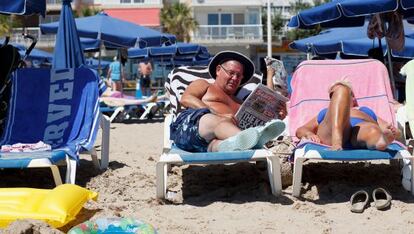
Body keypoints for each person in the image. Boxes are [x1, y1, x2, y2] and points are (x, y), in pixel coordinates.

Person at [170, 51, 285, 153]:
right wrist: (217, 114)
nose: (235, 78)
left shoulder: (241, 103)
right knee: (215, 120)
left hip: (209, 143)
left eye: (239, 76)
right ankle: (250, 142)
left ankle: (235, 143)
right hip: (190, 129)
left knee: (218, 145)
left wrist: (278, 116)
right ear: (218, 70)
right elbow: (186, 99)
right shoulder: (204, 85)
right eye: (231, 73)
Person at [296, 81, 400, 151]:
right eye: (333, 95)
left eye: (348, 94)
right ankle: (337, 140)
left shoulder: (364, 110)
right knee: (342, 89)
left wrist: (392, 132)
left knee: (372, 129)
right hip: (331, 132)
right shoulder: (325, 112)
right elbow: (301, 130)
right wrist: (309, 134)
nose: (338, 97)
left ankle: (379, 140)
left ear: (353, 98)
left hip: (358, 131)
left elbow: (388, 129)